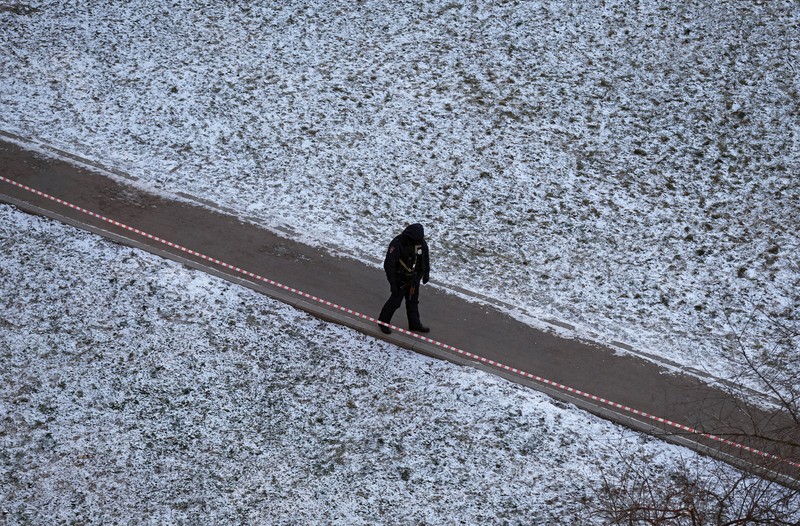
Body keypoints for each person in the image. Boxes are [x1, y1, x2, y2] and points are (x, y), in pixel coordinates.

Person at [377, 223, 431, 334]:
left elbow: (425, 259)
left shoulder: (421, 243)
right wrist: (393, 283)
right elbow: (389, 265)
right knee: (395, 302)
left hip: (414, 279)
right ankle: (383, 322)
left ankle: (414, 324)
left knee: (413, 302)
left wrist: (426, 273)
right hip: (400, 280)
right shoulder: (398, 244)